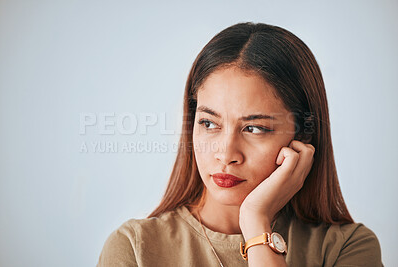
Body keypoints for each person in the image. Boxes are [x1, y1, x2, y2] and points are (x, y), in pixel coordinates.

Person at [97, 22, 383, 266]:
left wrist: (256, 221)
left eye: (254, 128)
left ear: (301, 136)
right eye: (209, 123)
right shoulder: (135, 248)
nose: (226, 154)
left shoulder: (346, 249)